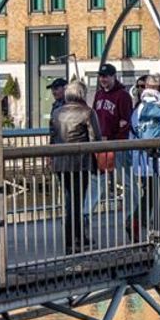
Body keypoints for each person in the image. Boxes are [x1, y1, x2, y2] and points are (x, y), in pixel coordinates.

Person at [49, 81, 102, 253]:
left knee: (69, 200)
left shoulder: (57, 112)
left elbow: (52, 137)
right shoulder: (87, 112)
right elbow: (95, 139)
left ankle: (74, 237)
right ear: (82, 94)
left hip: (60, 162)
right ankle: (74, 239)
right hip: (81, 162)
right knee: (77, 201)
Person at [127, 73, 160, 241]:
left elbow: (134, 131)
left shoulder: (139, 109)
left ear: (146, 87)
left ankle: (137, 220)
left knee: (150, 193)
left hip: (143, 158)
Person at [88, 64, 133, 212]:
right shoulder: (99, 95)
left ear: (114, 76)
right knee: (98, 180)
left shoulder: (123, 96)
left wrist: (116, 138)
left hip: (118, 145)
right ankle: (86, 213)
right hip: (101, 145)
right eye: (101, 76)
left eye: (106, 76)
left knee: (126, 181)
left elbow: (125, 122)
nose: (103, 79)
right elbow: (94, 117)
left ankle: (134, 212)